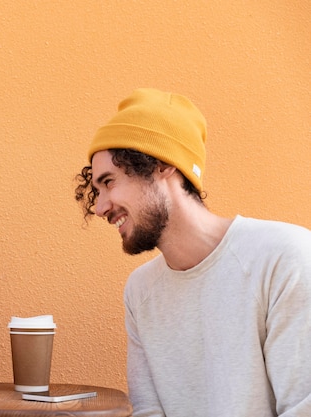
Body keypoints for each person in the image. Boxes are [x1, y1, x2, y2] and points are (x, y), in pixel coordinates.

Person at [75, 88, 311, 417]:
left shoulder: (286, 258)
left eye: (109, 182)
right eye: (96, 191)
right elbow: (148, 412)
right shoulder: (141, 291)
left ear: (162, 165)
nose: (100, 207)